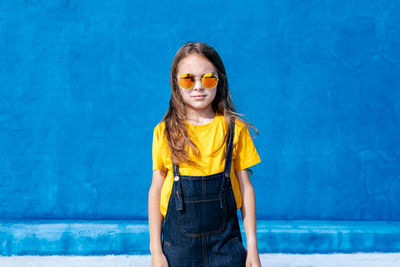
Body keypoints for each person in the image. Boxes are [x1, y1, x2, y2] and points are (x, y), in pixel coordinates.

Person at [148, 41, 262, 267]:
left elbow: (247, 189)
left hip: (225, 246)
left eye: (208, 78)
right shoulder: (165, 131)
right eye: (188, 79)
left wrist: (253, 248)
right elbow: (156, 189)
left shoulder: (235, 130)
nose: (198, 86)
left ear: (219, 82)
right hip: (177, 250)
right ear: (176, 84)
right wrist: (155, 250)